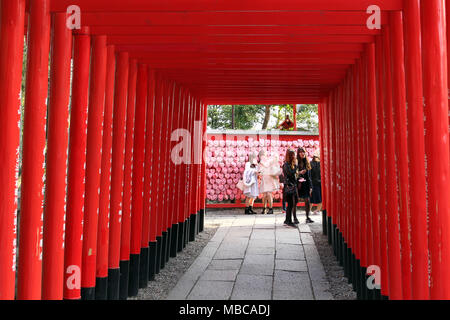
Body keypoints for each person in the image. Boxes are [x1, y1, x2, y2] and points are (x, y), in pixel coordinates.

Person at [259, 150, 281, 215]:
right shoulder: (261, 162)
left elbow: (275, 160)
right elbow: (260, 171)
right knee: (264, 195)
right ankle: (264, 208)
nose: (264, 156)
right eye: (263, 155)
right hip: (264, 178)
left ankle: (270, 209)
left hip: (269, 178)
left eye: (264, 155)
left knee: (268, 194)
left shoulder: (269, 160)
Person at [282, 149, 299, 227]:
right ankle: (289, 221)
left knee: (292, 203)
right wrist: (296, 167)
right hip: (289, 186)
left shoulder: (291, 164)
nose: (294, 156)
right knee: (290, 204)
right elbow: (290, 173)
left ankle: (287, 220)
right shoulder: (286, 164)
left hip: (292, 185)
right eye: (293, 155)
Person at [297, 147, 313, 223]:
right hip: (298, 184)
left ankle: (307, 217)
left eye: (303, 152)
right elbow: (293, 173)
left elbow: (309, 176)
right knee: (295, 201)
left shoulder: (307, 161)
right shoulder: (296, 162)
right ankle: (294, 218)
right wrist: (300, 172)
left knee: (307, 200)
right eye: (300, 152)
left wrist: (310, 186)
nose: (302, 153)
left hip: (306, 183)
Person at [310, 150, 322, 215]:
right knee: (319, 197)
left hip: (313, 182)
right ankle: (318, 210)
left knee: (311, 197)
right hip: (319, 182)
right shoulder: (321, 163)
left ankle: (308, 209)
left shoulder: (311, 163)